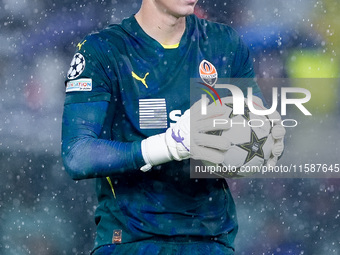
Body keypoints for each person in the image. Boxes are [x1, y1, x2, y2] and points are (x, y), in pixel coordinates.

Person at [61, 0, 285, 254]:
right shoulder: (103, 50)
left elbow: (265, 140)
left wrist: (261, 143)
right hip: (130, 241)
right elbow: (77, 155)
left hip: (210, 242)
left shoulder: (224, 44)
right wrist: (169, 145)